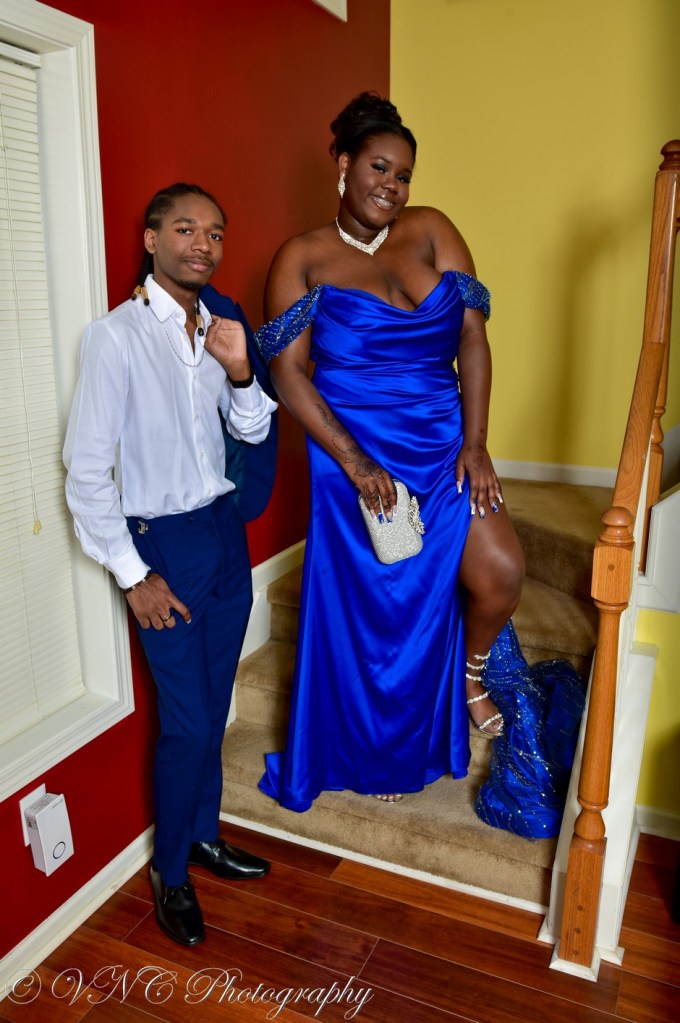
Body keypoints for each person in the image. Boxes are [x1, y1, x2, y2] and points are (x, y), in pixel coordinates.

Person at [255, 93, 584, 832]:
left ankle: (469, 673)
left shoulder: (433, 230)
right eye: (379, 167)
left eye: (403, 174)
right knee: (382, 612)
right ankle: (378, 750)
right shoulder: (301, 258)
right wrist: (355, 462)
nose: (393, 186)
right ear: (343, 164)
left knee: (500, 569)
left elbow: (472, 338)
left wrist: (477, 440)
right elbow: (289, 373)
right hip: (355, 454)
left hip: (444, 441)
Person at [63, 183, 277, 946]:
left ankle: (203, 835)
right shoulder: (115, 338)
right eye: (185, 229)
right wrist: (133, 574)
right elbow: (85, 473)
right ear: (152, 239)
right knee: (186, 722)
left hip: (223, 535)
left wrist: (242, 370)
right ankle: (171, 872)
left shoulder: (219, 331)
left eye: (215, 233)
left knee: (214, 705)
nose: (203, 244)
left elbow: (251, 432)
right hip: (162, 546)